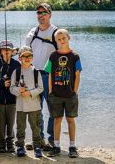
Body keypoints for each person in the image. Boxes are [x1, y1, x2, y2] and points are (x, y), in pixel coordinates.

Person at [45, 29, 82, 158]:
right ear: (56, 41)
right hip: (55, 94)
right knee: (57, 120)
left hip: (70, 94)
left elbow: (77, 76)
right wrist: (50, 91)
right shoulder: (53, 56)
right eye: (59, 39)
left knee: (70, 119)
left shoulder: (75, 56)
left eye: (63, 38)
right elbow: (49, 74)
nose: (61, 41)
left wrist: (75, 92)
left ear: (68, 38)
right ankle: (56, 146)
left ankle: (72, 146)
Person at [25, 3, 57, 150]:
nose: (40, 16)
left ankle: (52, 139)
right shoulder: (32, 33)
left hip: (51, 77)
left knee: (53, 110)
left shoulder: (56, 33)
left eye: (43, 13)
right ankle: (39, 139)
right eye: (38, 13)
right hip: (34, 75)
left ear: (50, 14)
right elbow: (25, 55)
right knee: (36, 110)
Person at [10, 46, 44, 158]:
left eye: (29, 56)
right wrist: (19, 90)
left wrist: (29, 93)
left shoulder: (36, 72)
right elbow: (11, 88)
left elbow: (40, 88)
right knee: (20, 127)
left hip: (34, 106)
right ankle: (20, 146)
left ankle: (37, 146)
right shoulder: (16, 71)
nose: (27, 58)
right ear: (20, 58)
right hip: (20, 106)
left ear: (32, 58)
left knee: (36, 127)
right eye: (24, 56)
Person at [0, 40, 21, 153]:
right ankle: (1, 144)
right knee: (0, 123)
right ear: (1, 52)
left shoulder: (17, 65)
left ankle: (10, 143)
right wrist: (2, 84)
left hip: (12, 100)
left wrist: (13, 84)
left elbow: (20, 81)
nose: (6, 52)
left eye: (9, 50)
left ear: (12, 52)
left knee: (11, 122)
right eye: (4, 50)